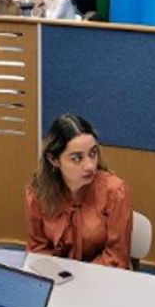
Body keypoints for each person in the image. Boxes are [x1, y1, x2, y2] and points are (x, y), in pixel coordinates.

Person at [25, 113, 132, 268]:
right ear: (53, 160)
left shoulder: (115, 192)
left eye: (93, 154)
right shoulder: (37, 194)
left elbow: (116, 255)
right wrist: (59, 274)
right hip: (57, 274)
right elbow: (37, 249)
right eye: (77, 158)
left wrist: (81, 276)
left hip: (101, 274)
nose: (90, 166)